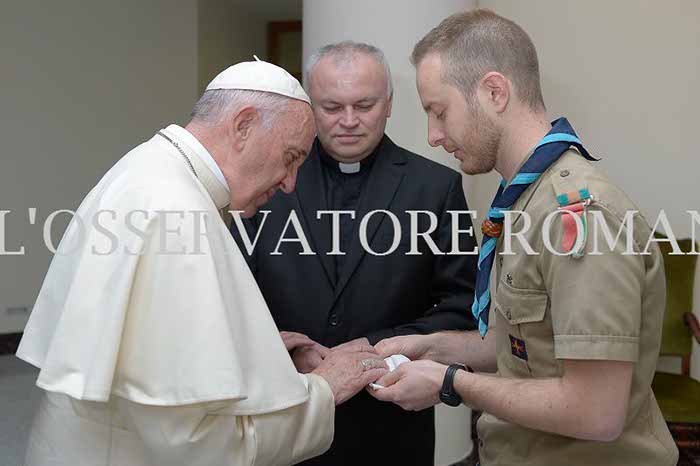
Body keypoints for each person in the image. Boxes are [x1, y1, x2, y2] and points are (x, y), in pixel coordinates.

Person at [16, 59, 388, 466]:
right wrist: (324, 389)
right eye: (290, 156)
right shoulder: (178, 210)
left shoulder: (148, 168)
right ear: (243, 125)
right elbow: (198, 444)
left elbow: (149, 349)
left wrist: (247, 352)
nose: (289, 182)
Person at [369, 10, 679, 466]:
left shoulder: (578, 216)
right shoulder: (525, 202)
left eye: (440, 112)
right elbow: (530, 344)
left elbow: (596, 411)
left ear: (495, 92)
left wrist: (450, 382)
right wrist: (432, 348)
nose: (434, 136)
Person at [232, 42, 477, 466]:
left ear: (389, 104)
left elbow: (462, 305)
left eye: (364, 105)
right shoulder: (263, 182)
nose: (348, 121)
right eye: (331, 107)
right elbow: (233, 294)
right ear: (309, 107)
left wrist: (372, 348)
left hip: (390, 426)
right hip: (282, 415)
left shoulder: (436, 188)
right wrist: (288, 349)